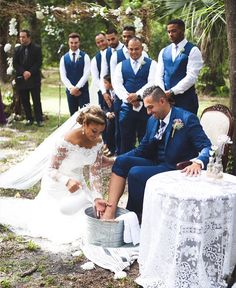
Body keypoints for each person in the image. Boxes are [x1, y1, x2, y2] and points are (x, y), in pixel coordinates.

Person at [95, 85, 211, 220]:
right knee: (121, 162)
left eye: (151, 107)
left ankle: (136, 217)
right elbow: (142, 150)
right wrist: (112, 160)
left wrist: (198, 162)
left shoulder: (186, 119)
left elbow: (206, 146)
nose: (148, 112)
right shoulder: (152, 120)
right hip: (156, 162)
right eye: (147, 108)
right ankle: (111, 210)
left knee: (136, 173)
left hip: (174, 167)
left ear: (162, 101)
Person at [0, 105, 112, 243]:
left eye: (100, 132)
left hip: (78, 185)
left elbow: (95, 173)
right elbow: (51, 169)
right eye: (94, 131)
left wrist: (97, 197)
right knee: (62, 226)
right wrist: (67, 181)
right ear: (84, 124)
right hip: (57, 184)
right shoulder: (65, 141)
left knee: (88, 221)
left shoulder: (98, 142)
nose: (97, 136)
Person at [113, 37, 157, 154]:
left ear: (142, 49)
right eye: (131, 49)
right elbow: (117, 85)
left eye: (136, 49)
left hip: (146, 108)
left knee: (146, 137)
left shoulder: (152, 64)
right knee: (126, 139)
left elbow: (152, 82)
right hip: (127, 108)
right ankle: (124, 162)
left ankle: (145, 160)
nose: (133, 52)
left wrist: (138, 96)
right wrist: (129, 99)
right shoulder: (121, 65)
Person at [155, 19, 203, 114]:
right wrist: (162, 93)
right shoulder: (164, 51)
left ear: (182, 30)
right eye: (168, 32)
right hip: (166, 101)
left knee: (185, 127)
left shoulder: (193, 50)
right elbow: (159, 75)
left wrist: (172, 92)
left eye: (174, 31)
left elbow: (191, 77)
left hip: (186, 100)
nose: (170, 34)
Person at [13, 29, 43, 127]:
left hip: (34, 78)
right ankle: (29, 118)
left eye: (23, 37)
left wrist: (30, 72)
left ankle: (39, 119)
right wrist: (23, 72)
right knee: (25, 100)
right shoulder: (17, 49)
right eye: (20, 37)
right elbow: (15, 63)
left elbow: (38, 62)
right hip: (22, 78)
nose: (21, 39)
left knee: (36, 100)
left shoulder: (37, 48)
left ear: (29, 37)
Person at [60, 33, 90, 116]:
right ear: (68, 43)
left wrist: (77, 88)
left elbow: (86, 74)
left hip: (83, 91)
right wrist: (71, 88)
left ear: (79, 43)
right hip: (70, 92)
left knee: (85, 114)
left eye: (76, 42)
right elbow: (63, 76)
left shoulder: (85, 56)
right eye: (71, 43)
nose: (73, 45)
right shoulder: (63, 58)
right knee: (73, 115)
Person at [90, 32, 108, 108]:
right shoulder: (95, 60)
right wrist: (104, 89)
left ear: (106, 39)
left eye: (102, 41)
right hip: (102, 91)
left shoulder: (116, 53)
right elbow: (95, 79)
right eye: (98, 42)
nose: (101, 44)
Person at [103, 74, 115, 156]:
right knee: (106, 122)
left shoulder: (117, 92)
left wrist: (114, 113)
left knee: (110, 124)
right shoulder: (105, 93)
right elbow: (103, 106)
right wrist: (107, 113)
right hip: (109, 115)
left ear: (111, 83)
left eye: (105, 82)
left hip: (117, 114)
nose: (104, 85)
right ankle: (107, 145)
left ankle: (112, 148)